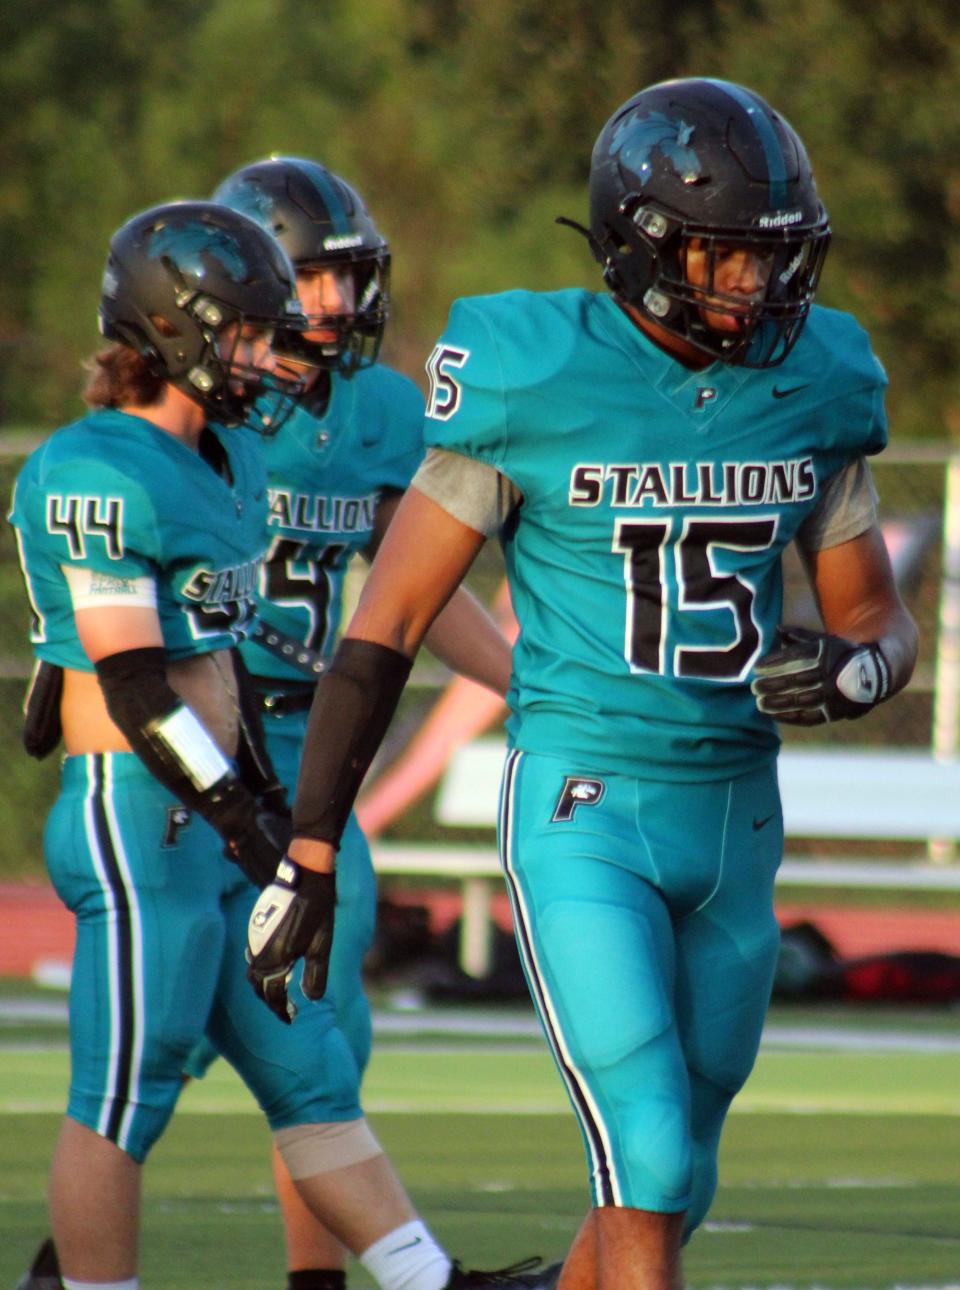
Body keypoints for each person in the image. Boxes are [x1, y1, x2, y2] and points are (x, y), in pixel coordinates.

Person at [242, 79, 920, 1290]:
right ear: (644, 245)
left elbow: (879, 621)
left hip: (738, 815)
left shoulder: (818, 378)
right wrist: (312, 848)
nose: (757, 289)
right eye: (724, 258)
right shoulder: (532, 375)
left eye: (773, 259)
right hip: (586, 807)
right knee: (647, 1156)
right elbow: (387, 626)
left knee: (678, 1174)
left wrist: (862, 669)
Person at [11, 200, 549, 1290]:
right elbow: (133, 682)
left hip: (212, 811)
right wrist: (240, 812)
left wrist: (270, 818)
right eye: (248, 334)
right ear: (177, 332)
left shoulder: (226, 459)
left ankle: (421, 1281)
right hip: (138, 814)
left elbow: (219, 671)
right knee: (127, 1091)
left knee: (309, 1068)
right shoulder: (96, 465)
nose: (268, 357)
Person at [183, 155, 550, 1290]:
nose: (336, 305)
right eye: (312, 280)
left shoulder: (388, 410)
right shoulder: (208, 404)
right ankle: (66, 1264)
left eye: (348, 280)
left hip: (312, 752)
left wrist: (534, 691)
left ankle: (322, 1281)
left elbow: (414, 598)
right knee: (156, 1045)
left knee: (328, 1042)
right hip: (200, 748)